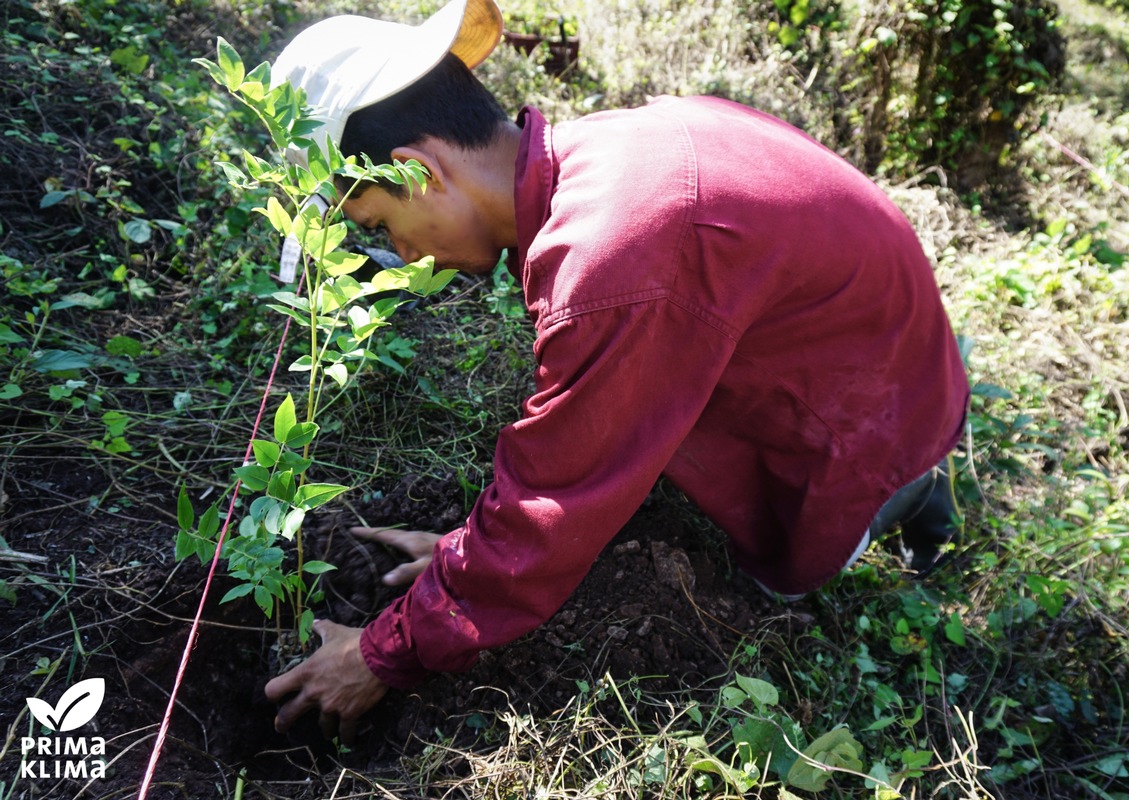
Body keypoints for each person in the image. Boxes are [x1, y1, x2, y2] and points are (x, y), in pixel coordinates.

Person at [262, 0, 970, 743]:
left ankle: (917, 487)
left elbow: (555, 496)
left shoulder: (616, 259)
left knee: (771, 583)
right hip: (887, 346)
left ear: (417, 172)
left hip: (877, 414)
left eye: (378, 227)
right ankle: (929, 463)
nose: (397, 255)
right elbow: (580, 441)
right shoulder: (601, 154)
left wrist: (384, 653)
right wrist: (465, 558)